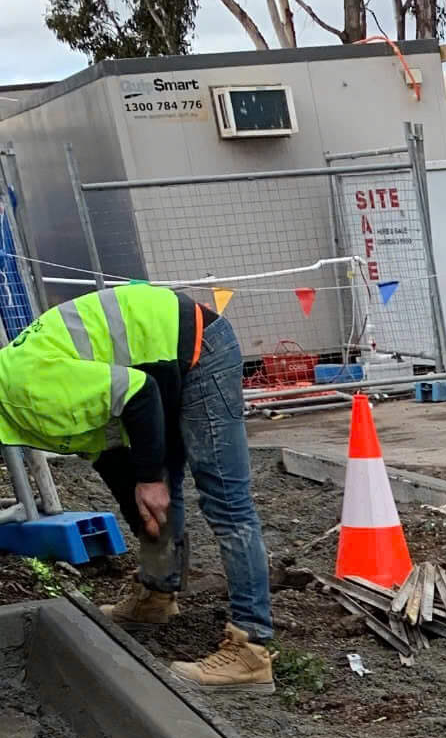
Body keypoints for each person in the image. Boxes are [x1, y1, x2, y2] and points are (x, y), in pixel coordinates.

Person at [0, 281, 276, 690]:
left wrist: (148, 480)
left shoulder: (29, 391)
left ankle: (251, 650)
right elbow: (107, 449)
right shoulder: (16, 405)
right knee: (155, 488)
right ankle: (158, 595)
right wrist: (141, 498)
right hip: (158, 366)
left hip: (198, 348)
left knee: (225, 500)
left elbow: (139, 394)